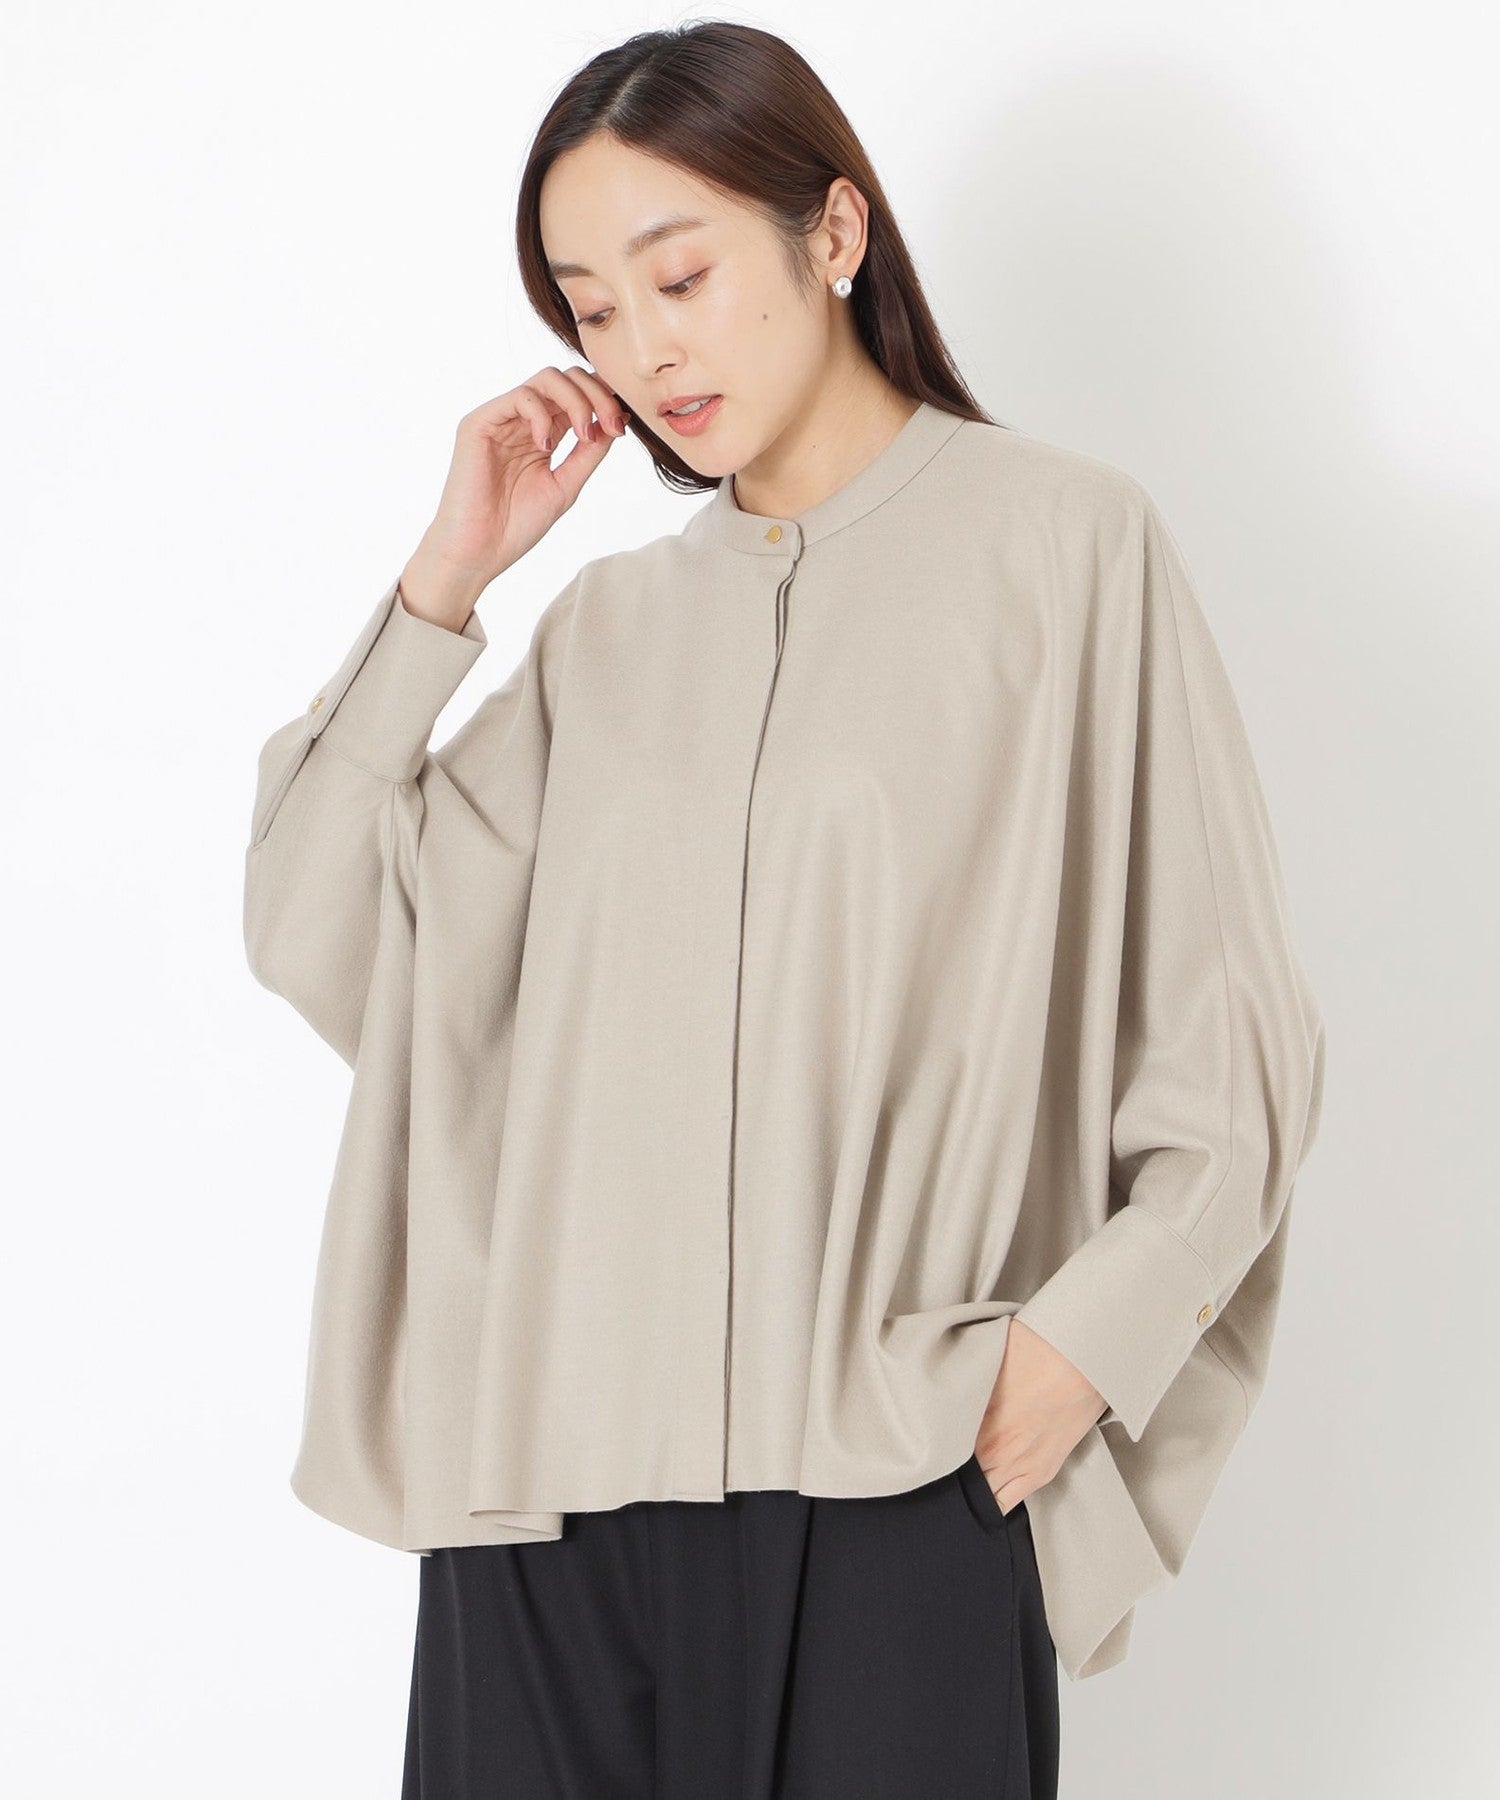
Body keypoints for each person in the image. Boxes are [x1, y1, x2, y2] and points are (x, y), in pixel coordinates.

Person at [242, 21, 1326, 1800]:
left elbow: (1237, 1072)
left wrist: (1067, 1363)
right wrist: (448, 580)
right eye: (593, 309)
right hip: (548, 1520)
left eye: (679, 278)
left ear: (833, 233)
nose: (645, 349)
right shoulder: (605, 637)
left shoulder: (1067, 551)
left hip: (898, 1489)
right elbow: (317, 924)